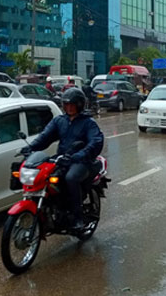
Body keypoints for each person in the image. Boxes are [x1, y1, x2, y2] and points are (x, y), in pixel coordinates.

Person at [23, 88, 105, 231]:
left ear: (80, 105)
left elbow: (96, 141)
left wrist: (80, 155)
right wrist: (31, 147)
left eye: (72, 104)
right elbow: (45, 136)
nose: (69, 107)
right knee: (45, 175)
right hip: (63, 158)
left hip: (81, 161)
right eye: (66, 104)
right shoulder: (59, 121)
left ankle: (78, 217)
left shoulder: (88, 123)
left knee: (70, 178)